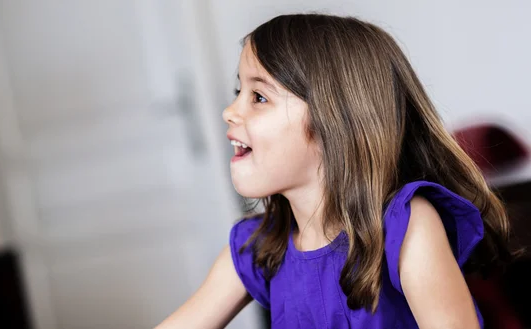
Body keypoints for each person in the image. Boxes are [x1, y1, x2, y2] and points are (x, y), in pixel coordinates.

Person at [156, 13, 513, 329]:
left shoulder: (407, 226)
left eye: (259, 97)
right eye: (239, 90)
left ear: (335, 123)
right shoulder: (258, 246)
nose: (229, 111)